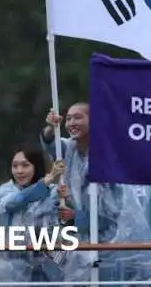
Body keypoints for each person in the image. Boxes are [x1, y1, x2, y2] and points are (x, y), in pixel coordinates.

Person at [38, 105, 123, 283]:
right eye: (68, 118)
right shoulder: (69, 149)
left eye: (78, 117)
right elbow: (52, 144)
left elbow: (111, 213)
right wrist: (50, 127)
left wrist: (77, 217)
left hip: (108, 246)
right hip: (78, 244)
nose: (71, 123)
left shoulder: (107, 156)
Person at [0, 147, 66, 284]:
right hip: (9, 270)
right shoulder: (4, 192)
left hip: (44, 272)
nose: (19, 171)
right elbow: (12, 203)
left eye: (25, 165)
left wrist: (66, 199)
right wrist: (45, 182)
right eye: (15, 166)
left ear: (36, 166)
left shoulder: (53, 193)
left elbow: (60, 223)